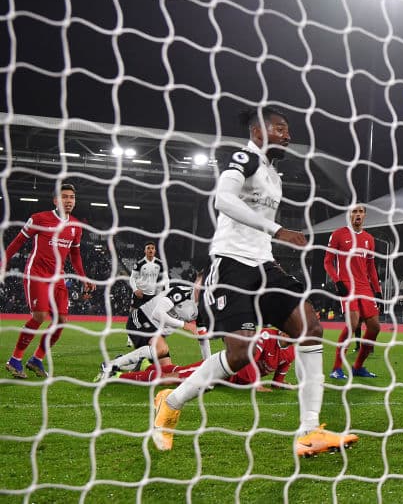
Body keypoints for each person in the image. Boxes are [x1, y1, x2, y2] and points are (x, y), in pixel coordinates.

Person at [150, 106, 357, 457]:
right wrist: (277, 230)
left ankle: (309, 431)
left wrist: (270, 240)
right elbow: (223, 199)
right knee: (241, 354)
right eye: (280, 129)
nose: (287, 136)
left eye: (287, 130)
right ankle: (170, 403)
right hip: (232, 266)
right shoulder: (244, 158)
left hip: (265, 265)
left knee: (310, 328)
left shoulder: (274, 176)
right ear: (258, 131)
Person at [2, 183, 95, 378]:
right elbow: (18, 241)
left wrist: (83, 277)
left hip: (58, 277)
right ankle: (15, 360)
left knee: (61, 321)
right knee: (40, 316)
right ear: (55, 200)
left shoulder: (76, 226)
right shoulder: (39, 218)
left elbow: (75, 256)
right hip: (37, 274)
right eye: (64, 197)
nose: (69, 201)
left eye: (71, 197)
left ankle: (36, 359)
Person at [121, 327, 294, 393]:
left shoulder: (291, 352)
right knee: (172, 380)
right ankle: (119, 376)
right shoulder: (266, 335)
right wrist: (256, 385)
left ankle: (147, 367)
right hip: (223, 368)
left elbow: (279, 377)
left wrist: (281, 384)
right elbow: (248, 357)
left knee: (179, 371)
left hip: (233, 380)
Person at [95, 276, 198, 381]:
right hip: (140, 320)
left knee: (167, 369)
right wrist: (184, 325)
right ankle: (111, 365)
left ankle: (134, 364)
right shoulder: (181, 292)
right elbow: (157, 313)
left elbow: (202, 337)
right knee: (161, 349)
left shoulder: (203, 307)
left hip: (156, 333)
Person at [324, 203, 383, 380]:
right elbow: (327, 262)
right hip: (347, 284)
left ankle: (357, 367)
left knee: (375, 327)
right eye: (354, 212)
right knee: (353, 325)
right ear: (349, 215)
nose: (357, 214)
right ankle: (336, 368)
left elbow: (371, 267)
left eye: (360, 212)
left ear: (364, 215)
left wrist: (377, 291)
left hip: (365, 287)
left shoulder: (369, 239)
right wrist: (337, 281)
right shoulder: (338, 234)